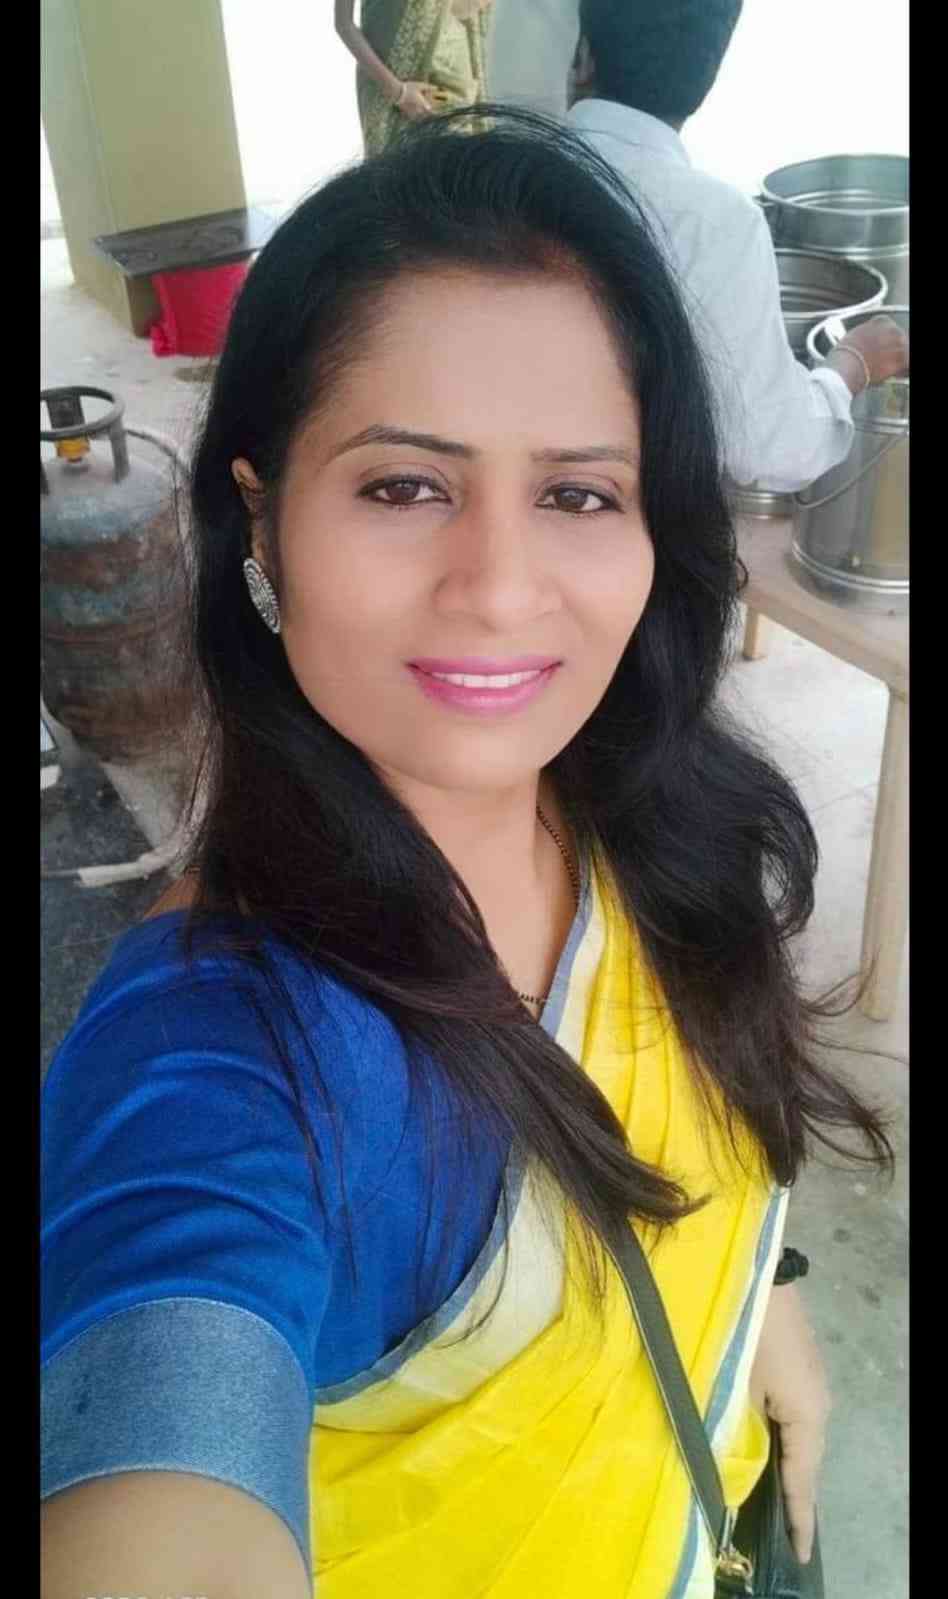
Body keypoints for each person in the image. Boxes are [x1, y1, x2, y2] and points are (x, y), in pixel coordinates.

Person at [41, 110, 891, 1599]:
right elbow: (164, 1417)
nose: (501, 589)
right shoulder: (230, 1055)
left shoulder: (638, 807)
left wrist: (771, 1300)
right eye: (404, 485)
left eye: (577, 493)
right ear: (262, 521)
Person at [567, 1, 909, 493]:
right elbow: (772, 449)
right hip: (622, 516)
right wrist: (853, 362)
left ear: (582, 57)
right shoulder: (713, 220)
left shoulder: (492, 172)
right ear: (708, 78)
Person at [335, 0, 493, 155]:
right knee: (396, 162)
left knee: (455, 155)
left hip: (449, 80)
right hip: (388, 85)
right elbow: (344, 24)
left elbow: (459, 8)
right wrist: (399, 93)